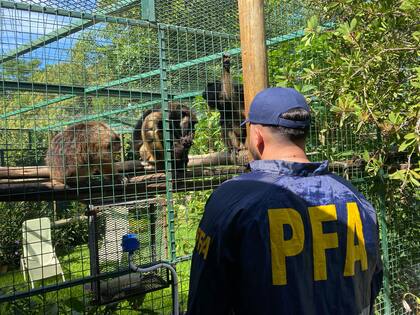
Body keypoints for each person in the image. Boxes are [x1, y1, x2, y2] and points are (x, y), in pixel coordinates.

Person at [186, 87, 383, 315]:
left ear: (257, 137)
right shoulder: (355, 197)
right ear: (304, 133)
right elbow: (371, 285)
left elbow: (205, 297)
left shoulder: (232, 200)